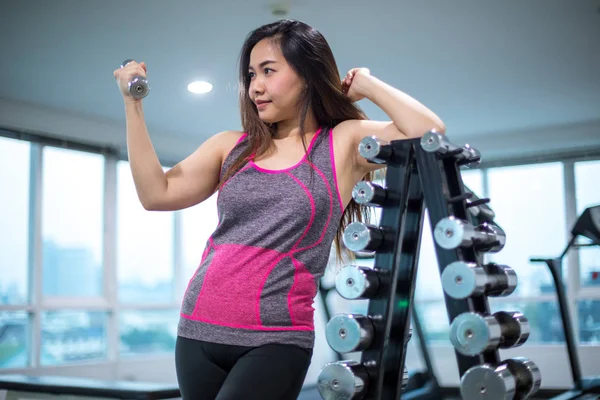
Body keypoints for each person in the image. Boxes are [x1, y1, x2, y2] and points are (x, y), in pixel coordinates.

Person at [114, 18, 445, 400]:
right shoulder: (231, 147)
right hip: (197, 331)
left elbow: (430, 133)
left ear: (307, 73)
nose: (255, 85)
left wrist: (366, 84)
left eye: (268, 71)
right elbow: (156, 194)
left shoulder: (340, 143)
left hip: (276, 340)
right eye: (251, 74)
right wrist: (132, 104)